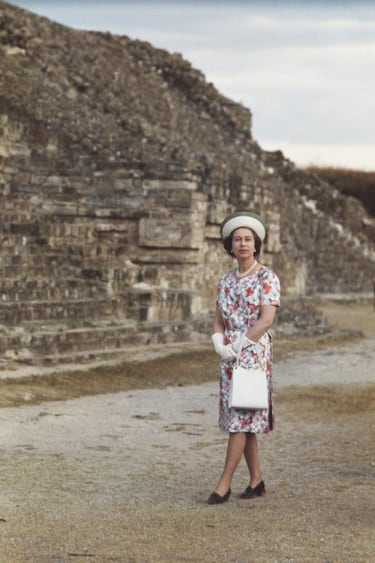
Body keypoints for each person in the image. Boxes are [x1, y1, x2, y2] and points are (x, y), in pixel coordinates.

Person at [207, 211, 280, 505]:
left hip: (253, 352)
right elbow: (218, 319)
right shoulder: (225, 280)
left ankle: (223, 484)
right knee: (243, 414)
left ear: (256, 243)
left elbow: (266, 320)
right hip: (229, 356)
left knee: (240, 417)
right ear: (230, 244)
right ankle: (256, 480)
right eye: (237, 239)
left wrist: (240, 344)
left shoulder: (266, 277)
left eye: (248, 239)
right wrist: (218, 343)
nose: (243, 244)